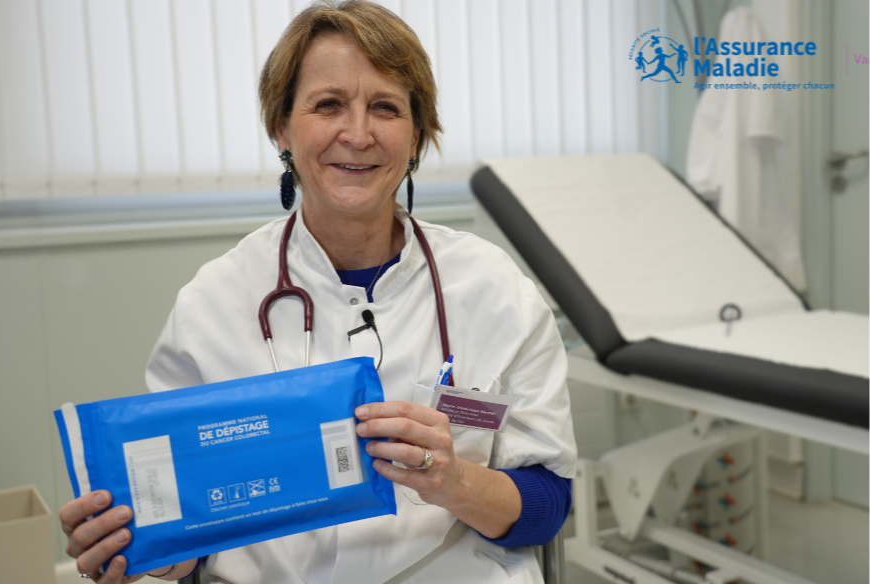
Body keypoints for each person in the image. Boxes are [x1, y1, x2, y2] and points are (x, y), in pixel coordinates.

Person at [57, 2, 578, 582]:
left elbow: (548, 506)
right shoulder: (213, 302)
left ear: (416, 137)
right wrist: (143, 547)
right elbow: (191, 530)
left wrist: (455, 482)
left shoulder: (495, 289)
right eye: (328, 104)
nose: (357, 134)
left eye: (385, 107)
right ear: (281, 127)